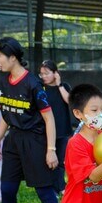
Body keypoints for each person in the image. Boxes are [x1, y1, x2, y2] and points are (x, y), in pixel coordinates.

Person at [0, 37, 61, 203]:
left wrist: (51, 150)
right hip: (13, 140)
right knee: (7, 188)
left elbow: (49, 118)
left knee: (44, 191)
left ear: (12, 57)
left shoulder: (33, 84)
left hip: (35, 141)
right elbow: (6, 115)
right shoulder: (3, 83)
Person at [40, 60, 72, 194]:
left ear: (55, 74)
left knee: (60, 161)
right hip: (46, 131)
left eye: (47, 73)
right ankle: (51, 187)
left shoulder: (64, 86)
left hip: (63, 130)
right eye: (41, 74)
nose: (44, 76)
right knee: (48, 161)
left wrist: (59, 85)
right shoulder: (41, 89)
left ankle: (60, 187)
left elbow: (70, 101)